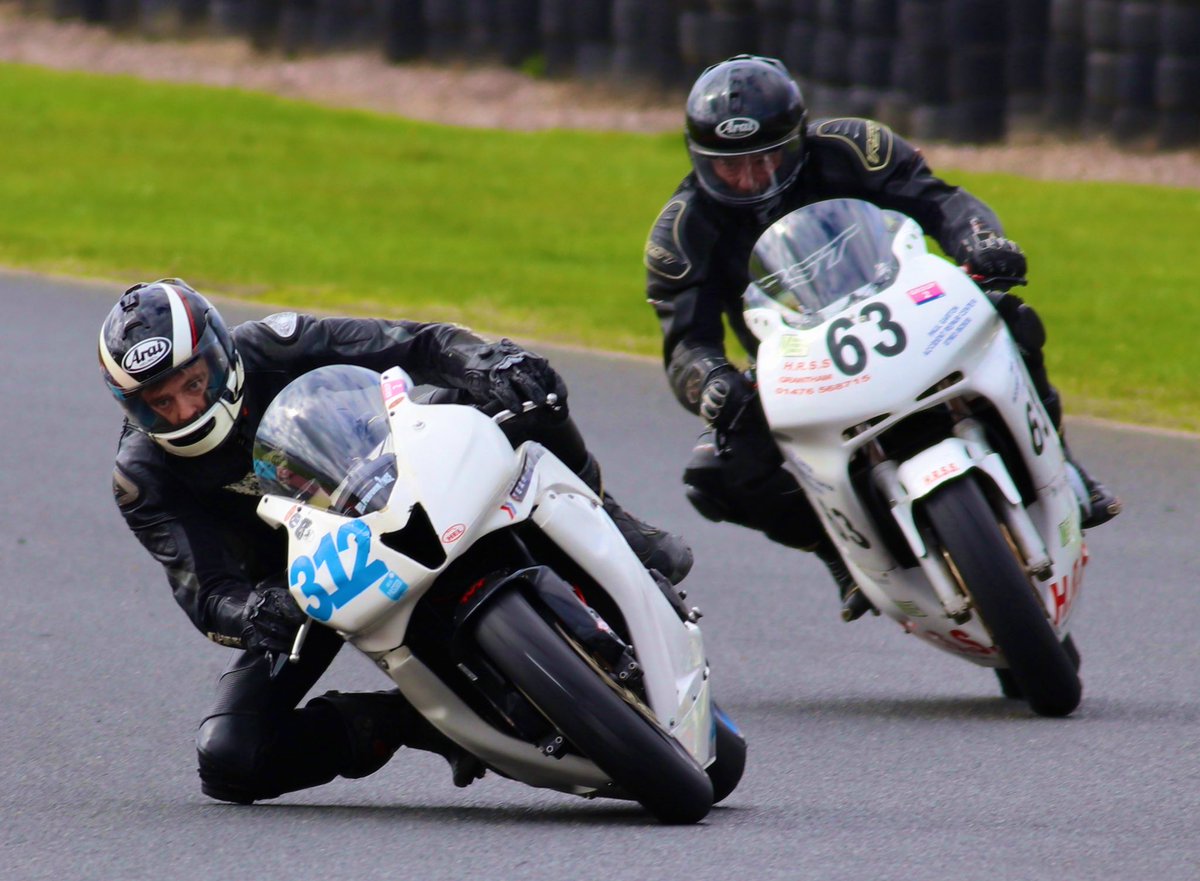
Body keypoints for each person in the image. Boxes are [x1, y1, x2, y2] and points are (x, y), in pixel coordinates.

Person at [99, 278, 692, 804]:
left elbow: (417, 343)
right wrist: (255, 612)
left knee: (527, 386)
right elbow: (207, 594)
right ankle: (414, 721)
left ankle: (616, 526)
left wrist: (486, 362)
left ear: (219, 355)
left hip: (389, 470)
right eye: (161, 403)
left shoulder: (273, 345)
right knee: (231, 757)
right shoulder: (142, 479)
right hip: (311, 583)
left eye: (194, 383)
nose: (186, 409)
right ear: (134, 408)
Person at [643, 54, 1120, 622]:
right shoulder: (680, 233)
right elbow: (686, 345)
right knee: (716, 475)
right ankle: (836, 551)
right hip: (798, 365)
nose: (749, 178)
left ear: (796, 141)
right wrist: (712, 382)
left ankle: (1064, 465)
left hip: (904, 309)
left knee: (1011, 319)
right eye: (730, 167)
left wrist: (980, 242)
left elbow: (941, 201)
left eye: (765, 159)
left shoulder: (852, 147)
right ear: (700, 159)